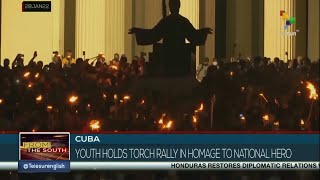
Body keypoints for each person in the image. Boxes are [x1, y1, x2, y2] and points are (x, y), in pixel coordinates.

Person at [129, 0, 213, 77]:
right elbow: (193, 35)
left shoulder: (167, 21)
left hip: (168, 57)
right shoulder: (182, 21)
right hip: (180, 58)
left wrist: (138, 31)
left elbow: (153, 34)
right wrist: (203, 32)